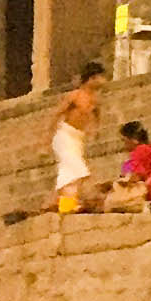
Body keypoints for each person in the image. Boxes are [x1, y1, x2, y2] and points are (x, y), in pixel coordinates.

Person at [51, 60, 108, 214]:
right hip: (64, 135)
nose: (103, 81)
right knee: (77, 169)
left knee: (69, 173)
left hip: (78, 138)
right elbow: (57, 114)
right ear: (92, 78)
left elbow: (97, 115)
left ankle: (66, 205)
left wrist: (95, 130)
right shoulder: (75, 96)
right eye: (100, 77)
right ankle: (67, 204)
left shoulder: (95, 100)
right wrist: (45, 139)